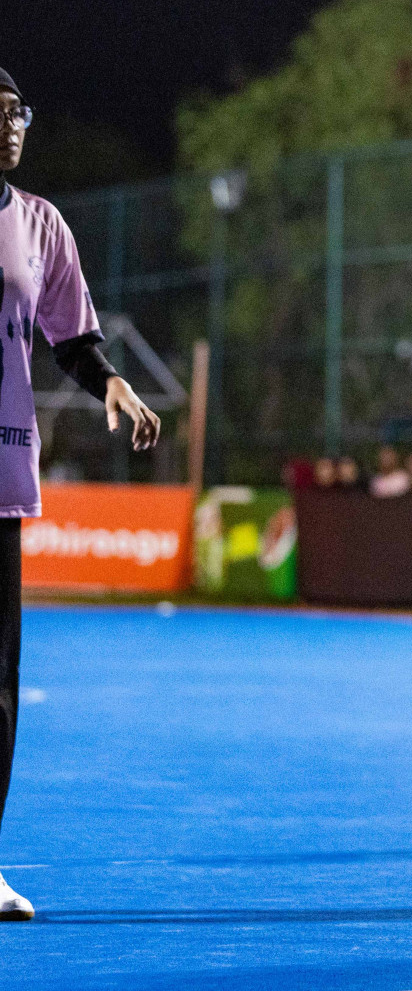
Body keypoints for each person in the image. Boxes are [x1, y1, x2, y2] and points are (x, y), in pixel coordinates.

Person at [0, 69, 163, 920]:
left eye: (18, 113)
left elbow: (71, 337)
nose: (11, 126)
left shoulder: (39, 224)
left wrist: (113, 386)